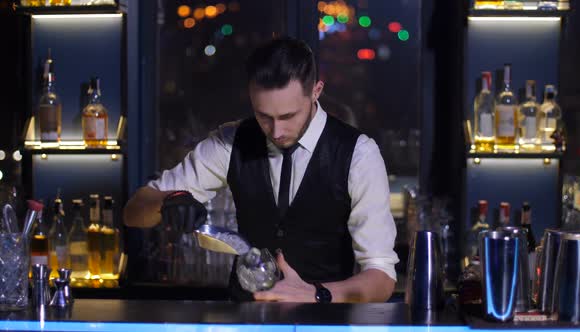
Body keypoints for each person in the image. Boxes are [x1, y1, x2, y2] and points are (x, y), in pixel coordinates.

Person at [124, 37, 399, 303]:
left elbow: (382, 278)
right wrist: (168, 201)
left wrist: (317, 294)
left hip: (324, 322)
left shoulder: (359, 154)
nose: (276, 131)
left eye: (288, 116)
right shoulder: (230, 141)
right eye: (263, 116)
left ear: (316, 91)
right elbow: (134, 212)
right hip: (245, 319)